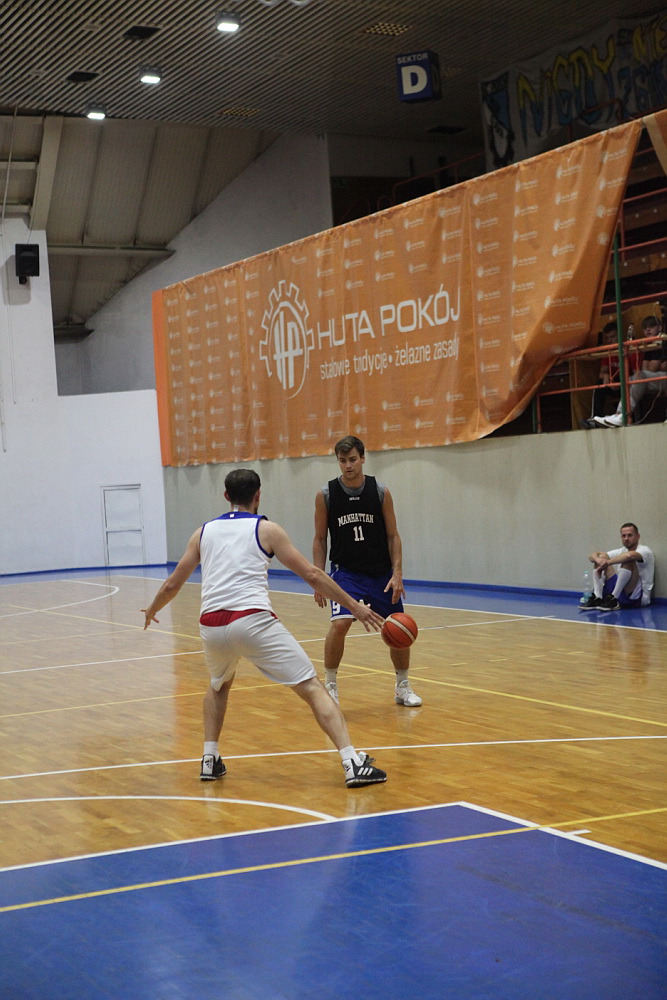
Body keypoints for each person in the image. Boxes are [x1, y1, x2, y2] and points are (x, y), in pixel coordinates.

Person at [142, 468, 388, 788]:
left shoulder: (202, 533)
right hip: (251, 621)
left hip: (211, 626)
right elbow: (313, 575)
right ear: (258, 495)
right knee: (313, 687)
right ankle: (352, 761)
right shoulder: (267, 529)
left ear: (226, 496)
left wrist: (152, 609)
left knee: (218, 686)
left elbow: (173, 584)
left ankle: (209, 758)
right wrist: (355, 606)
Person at [313, 435, 422, 707]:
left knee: (398, 626)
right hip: (346, 573)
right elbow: (320, 539)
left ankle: (402, 685)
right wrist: (318, 577)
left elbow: (393, 536)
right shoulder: (326, 495)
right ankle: (330, 685)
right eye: (342, 461)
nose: (348, 465)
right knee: (340, 624)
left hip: (380, 573)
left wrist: (397, 573)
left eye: (352, 459)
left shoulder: (380, 491)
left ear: (362, 458)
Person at [594, 315, 667, 427]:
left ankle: (622, 415)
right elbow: (646, 368)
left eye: (652, 326)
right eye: (645, 327)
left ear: (660, 328)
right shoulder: (648, 345)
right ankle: (620, 415)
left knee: (638, 376)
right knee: (633, 379)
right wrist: (655, 366)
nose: (648, 329)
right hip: (655, 378)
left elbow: (651, 368)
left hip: (663, 378)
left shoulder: (663, 342)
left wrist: (652, 366)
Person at [580, 522, 655, 611]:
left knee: (629, 559)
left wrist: (607, 563)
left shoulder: (645, 551)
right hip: (620, 591)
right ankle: (597, 597)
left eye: (630, 535)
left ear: (638, 536)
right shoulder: (621, 551)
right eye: (623, 536)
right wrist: (598, 560)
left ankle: (614, 599)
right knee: (601, 558)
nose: (626, 538)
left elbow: (629, 556)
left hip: (636, 597)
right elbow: (592, 556)